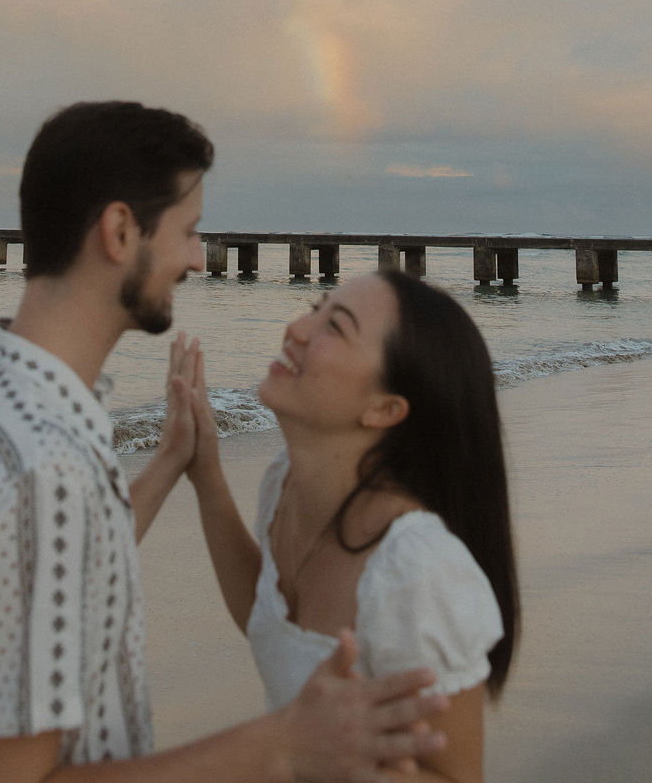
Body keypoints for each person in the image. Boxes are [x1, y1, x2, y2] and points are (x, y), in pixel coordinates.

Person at [0, 101, 448, 783]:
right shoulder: (42, 473)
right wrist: (281, 745)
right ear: (120, 230)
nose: (198, 260)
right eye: (189, 230)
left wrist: (177, 461)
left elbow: (64, 553)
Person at [179, 269, 520, 783]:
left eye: (334, 327)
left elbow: (457, 776)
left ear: (384, 409)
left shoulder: (415, 572)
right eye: (315, 308)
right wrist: (206, 475)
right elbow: (269, 620)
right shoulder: (286, 485)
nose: (296, 327)